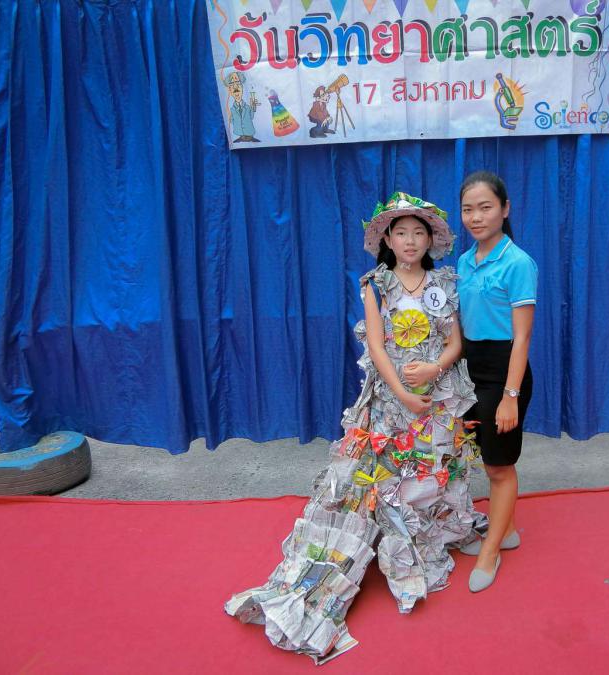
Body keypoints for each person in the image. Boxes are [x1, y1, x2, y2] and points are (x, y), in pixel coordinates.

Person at [225, 192, 486, 662]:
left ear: (430, 239)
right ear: (388, 239)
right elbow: (378, 348)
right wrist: (403, 392)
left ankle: (431, 534)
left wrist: (434, 369)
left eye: (419, 232)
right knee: (386, 473)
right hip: (391, 399)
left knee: (434, 466)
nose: (410, 241)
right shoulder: (376, 285)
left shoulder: (444, 282)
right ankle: (377, 543)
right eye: (402, 233)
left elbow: (456, 340)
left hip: (438, 395)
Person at [456, 171, 538, 593]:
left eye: (485, 207)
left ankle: (491, 550)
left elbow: (521, 338)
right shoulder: (463, 262)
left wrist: (510, 396)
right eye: (468, 209)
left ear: (505, 210)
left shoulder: (518, 263)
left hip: (505, 372)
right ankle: (507, 530)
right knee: (487, 457)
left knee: (498, 466)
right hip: (471, 370)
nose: (476, 217)